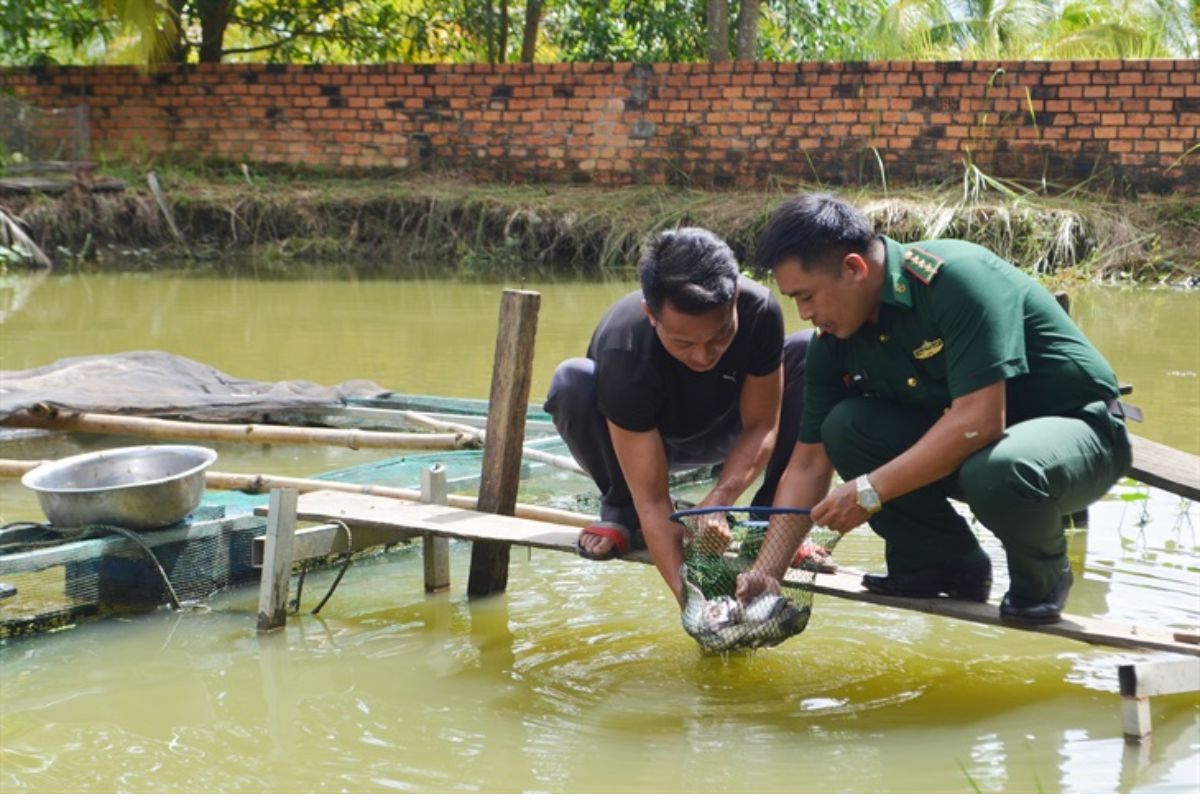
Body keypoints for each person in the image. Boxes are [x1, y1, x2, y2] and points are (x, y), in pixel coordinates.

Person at [737, 193, 1134, 625]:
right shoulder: (834, 341)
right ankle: (942, 563)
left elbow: (980, 421)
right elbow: (810, 462)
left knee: (998, 469)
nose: (805, 313)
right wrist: (766, 573)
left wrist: (869, 490)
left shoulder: (956, 279)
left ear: (854, 268)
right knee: (846, 427)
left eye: (808, 296)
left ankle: (1042, 577)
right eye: (794, 299)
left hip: (1079, 434)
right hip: (980, 451)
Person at [544, 227, 816, 606]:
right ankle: (621, 510)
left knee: (809, 352)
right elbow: (654, 500)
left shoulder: (760, 310)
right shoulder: (625, 346)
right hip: (644, 442)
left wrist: (720, 499)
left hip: (728, 429)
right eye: (684, 343)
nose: (704, 357)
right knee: (571, 381)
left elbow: (761, 425)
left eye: (720, 336)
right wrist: (694, 605)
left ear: (735, 296)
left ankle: (768, 524)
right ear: (650, 315)